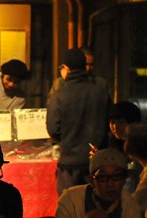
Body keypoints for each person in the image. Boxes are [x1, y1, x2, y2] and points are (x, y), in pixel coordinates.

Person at [47, 48, 110, 196]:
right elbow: (109, 123)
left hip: (69, 164)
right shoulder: (100, 93)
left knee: (70, 205)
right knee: (95, 204)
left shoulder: (59, 95)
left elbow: (53, 129)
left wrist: (68, 139)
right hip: (96, 162)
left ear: (66, 68)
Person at [88, 101, 142, 193]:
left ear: (134, 122)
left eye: (121, 122)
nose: (115, 127)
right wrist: (99, 160)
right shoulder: (111, 141)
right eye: (112, 122)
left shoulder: (141, 145)